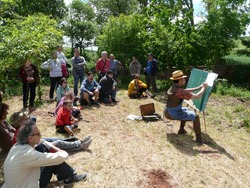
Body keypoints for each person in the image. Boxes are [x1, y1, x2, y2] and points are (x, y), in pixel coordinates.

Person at [2, 119, 88, 188]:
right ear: (30, 138)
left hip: (19, 183)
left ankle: (64, 176)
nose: (41, 135)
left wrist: (53, 147)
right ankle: (70, 177)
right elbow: (62, 156)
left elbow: (42, 141)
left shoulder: (17, 146)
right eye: (38, 134)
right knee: (52, 160)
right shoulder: (28, 154)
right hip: (28, 185)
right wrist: (60, 151)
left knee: (43, 148)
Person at [164, 70, 208, 144]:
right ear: (180, 80)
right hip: (173, 113)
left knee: (186, 110)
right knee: (196, 117)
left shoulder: (175, 87)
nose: (185, 80)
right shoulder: (179, 91)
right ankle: (199, 138)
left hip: (168, 111)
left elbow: (185, 91)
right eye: (183, 79)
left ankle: (181, 130)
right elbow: (197, 96)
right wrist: (204, 88)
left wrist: (199, 87)